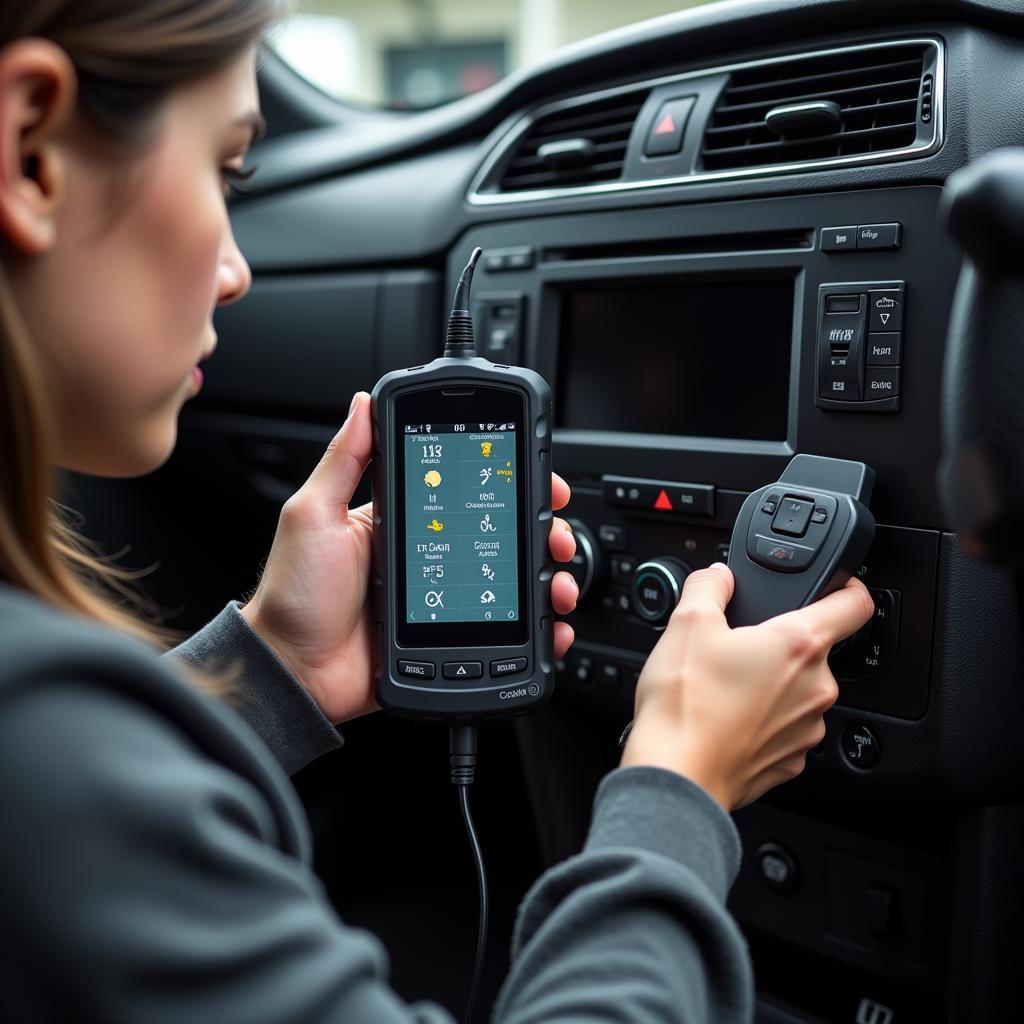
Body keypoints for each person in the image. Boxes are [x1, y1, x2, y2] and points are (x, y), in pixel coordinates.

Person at [0, 2, 875, 1021]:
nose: (238, 272)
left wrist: (273, 668)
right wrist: (679, 788)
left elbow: (95, 815)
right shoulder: (39, 724)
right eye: (225, 170)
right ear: (31, 152)